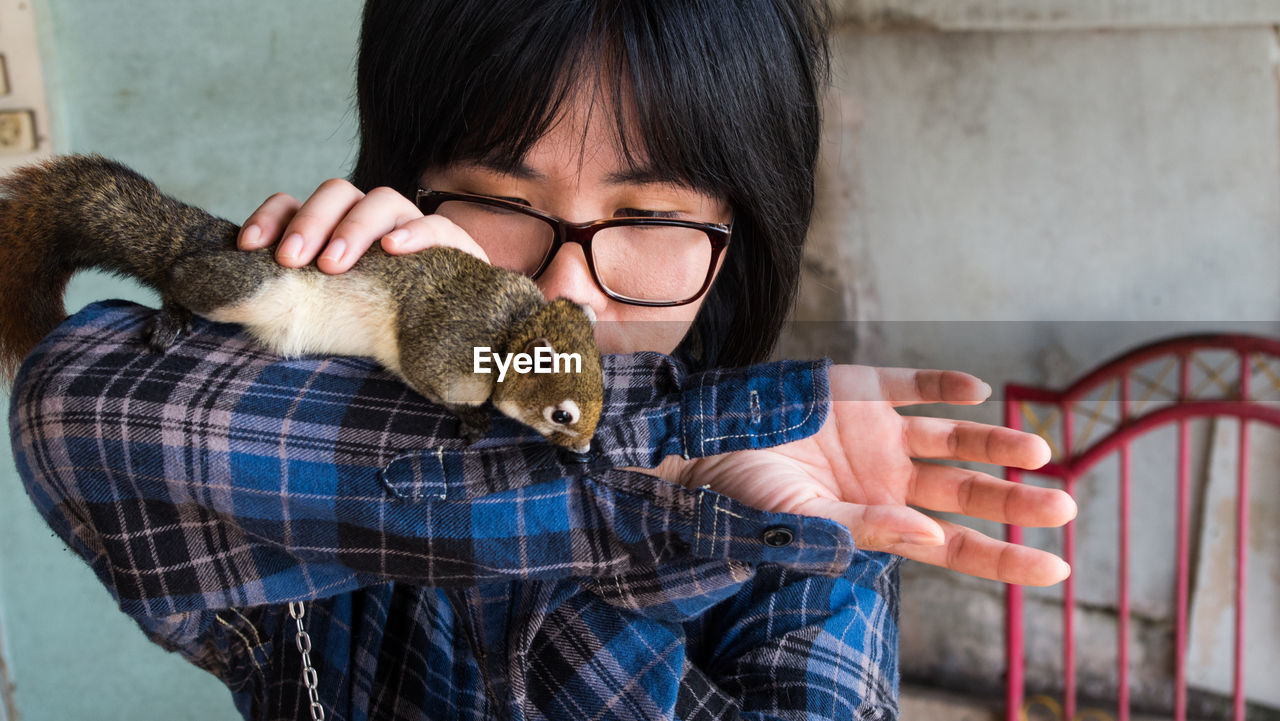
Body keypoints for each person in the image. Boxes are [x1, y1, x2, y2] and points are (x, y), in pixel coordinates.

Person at [10, 1, 1074, 719]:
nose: (564, 291)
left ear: (738, 241)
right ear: (406, 189)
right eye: (505, 203)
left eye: (648, 214)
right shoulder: (314, 478)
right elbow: (72, 407)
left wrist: (668, 509)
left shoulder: (811, 541)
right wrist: (634, 468)